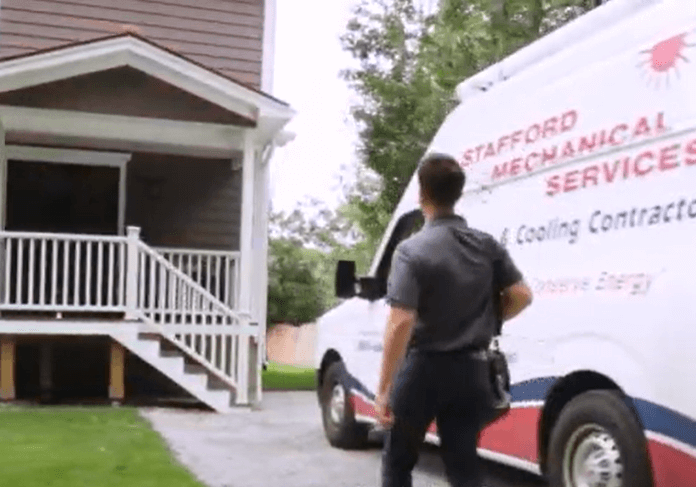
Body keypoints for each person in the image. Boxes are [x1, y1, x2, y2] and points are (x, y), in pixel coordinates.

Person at [375, 152, 533, 487]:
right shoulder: (486, 244)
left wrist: (384, 389)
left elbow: (401, 322)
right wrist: (489, 319)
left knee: (398, 462)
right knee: (463, 463)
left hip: (424, 371)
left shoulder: (411, 250)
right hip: (472, 371)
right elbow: (522, 295)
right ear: (457, 194)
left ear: (422, 194)